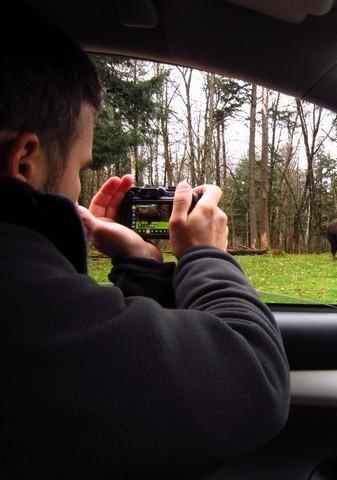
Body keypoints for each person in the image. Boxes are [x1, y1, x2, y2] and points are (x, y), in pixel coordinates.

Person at [0, 3, 289, 479]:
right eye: (79, 167)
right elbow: (253, 383)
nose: (75, 187)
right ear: (25, 161)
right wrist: (205, 255)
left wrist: (141, 263)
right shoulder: (12, 299)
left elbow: (119, 366)